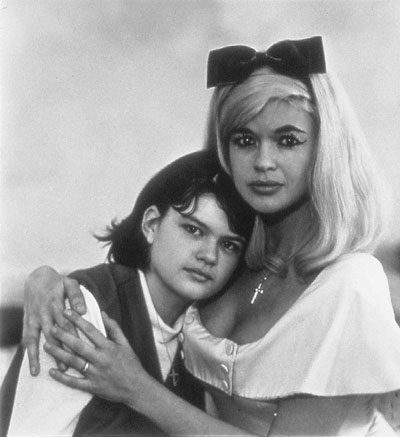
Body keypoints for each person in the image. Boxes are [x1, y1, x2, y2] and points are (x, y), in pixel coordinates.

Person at [12, 36, 400, 435]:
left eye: (288, 141)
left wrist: (137, 389)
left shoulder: (349, 283)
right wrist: (46, 280)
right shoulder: (232, 261)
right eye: (244, 140)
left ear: (324, 147)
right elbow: (138, 289)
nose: (263, 162)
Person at [0, 150, 254, 436]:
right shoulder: (82, 309)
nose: (209, 255)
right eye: (194, 230)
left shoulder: (201, 334)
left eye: (229, 245)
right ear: (151, 225)